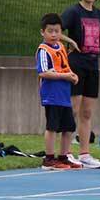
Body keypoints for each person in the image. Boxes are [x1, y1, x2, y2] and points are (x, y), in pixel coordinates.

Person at [61, 0, 100, 169]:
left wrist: (98, 42)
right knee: (73, 109)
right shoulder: (73, 12)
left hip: (92, 65)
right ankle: (66, 153)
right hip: (76, 64)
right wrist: (71, 43)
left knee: (87, 112)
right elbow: (55, 30)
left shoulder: (99, 15)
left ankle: (84, 154)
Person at [36, 13, 81, 170]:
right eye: (50, 31)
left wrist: (72, 75)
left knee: (69, 127)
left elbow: (64, 67)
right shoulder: (44, 50)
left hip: (64, 94)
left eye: (57, 31)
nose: (54, 35)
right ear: (43, 32)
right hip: (52, 95)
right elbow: (43, 72)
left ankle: (63, 157)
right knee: (52, 127)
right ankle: (49, 159)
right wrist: (65, 76)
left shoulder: (61, 47)